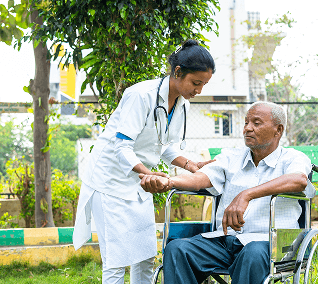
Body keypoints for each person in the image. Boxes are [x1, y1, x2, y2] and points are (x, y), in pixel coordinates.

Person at [72, 39, 216, 284]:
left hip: (140, 186)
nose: (199, 90)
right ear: (178, 72)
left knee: (145, 256)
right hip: (110, 184)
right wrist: (147, 173)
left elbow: (164, 145)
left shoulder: (183, 105)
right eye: (196, 82)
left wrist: (191, 165)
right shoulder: (140, 95)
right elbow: (122, 145)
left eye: (204, 84)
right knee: (116, 262)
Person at [139, 101, 315, 284]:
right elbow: (200, 177)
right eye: (246, 123)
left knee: (252, 253)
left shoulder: (292, 158)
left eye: (256, 123)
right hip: (225, 241)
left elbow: (299, 180)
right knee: (177, 249)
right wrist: (169, 181)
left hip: (269, 244)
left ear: (278, 130)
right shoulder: (231, 157)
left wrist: (246, 194)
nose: (247, 128)